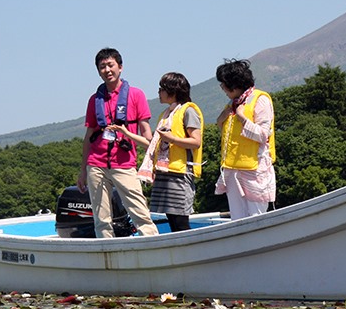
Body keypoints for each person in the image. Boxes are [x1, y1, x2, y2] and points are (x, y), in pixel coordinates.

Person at [77, 47, 159, 237]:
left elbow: (148, 136)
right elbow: (89, 137)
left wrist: (152, 163)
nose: (107, 70)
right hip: (96, 164)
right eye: (102, 67)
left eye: (110, 65)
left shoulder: (136, 95)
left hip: (124, 163)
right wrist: (83, 170)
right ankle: (107, 251)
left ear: (120, 67)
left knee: (140, 213)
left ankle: (153, 245)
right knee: (101, 220)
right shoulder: (94, 100)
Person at [137, 72, 203, 232]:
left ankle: (188, 247)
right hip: (165, 171)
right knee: (172, 220)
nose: (159, 92)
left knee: (180, 221)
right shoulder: (166, 114)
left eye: (162, 89)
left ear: (173, 91)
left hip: (180, 173)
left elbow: (196, 141)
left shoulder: (188, 111)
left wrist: (172, 139)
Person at [214, 59, 276, 219]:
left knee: (256, 216)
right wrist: (221, 119)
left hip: (255, 169)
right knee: (237, 218)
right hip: (233, 168)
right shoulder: (233, 103)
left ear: (234, 85)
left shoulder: (260, 100)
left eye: (223, 85)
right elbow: (228, 133)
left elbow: (263, 135)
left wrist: (241, 117)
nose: (222, 88)